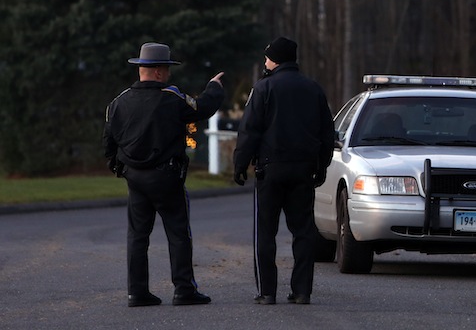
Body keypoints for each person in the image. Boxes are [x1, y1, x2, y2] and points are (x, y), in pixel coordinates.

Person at [102, 42, 224, 307]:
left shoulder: (118, 102)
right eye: (166, 69)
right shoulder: (171, 98)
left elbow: (108, 143)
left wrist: (119, 167)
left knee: (137, 236)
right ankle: (183, 290)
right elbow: (202, 108)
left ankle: (137, 292)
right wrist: (214, 87)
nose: (168, 74)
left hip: (135, 178)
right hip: (167, 178)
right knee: (178, 233)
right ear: (157, 72)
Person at [233, 36, 334, 306]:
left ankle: (267, 291)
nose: (264, 61)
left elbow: (249, 130)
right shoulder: (313, 89)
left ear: (275, 59)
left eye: (267, 57)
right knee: (303, 231)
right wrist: (321, 166)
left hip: (270, 169)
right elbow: (327, 133)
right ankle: (302, 291)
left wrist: (240, 164)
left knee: (266, 231)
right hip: (303, 169)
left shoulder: (264, 88)